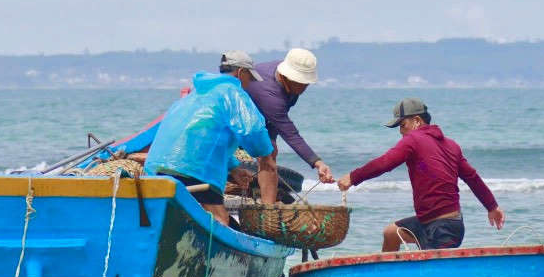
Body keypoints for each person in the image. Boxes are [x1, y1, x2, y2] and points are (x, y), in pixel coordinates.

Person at [337, 98, 504, 252]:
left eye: (403, 125)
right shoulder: (452, 145)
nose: (401, 131)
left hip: (444, 229)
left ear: (417, 121)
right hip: (429, 223)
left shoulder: (413, 139)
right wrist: (492, 207)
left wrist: (353, 177)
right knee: (390, 233)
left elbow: (385, 163)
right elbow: (473, 178)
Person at [144, 52, 273, 225]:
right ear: (241, 72)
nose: (249, 84)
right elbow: (252, 129)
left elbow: (206, 140)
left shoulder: (196, 95)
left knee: (174, 218)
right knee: (220, 219)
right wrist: (265, 156)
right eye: (249, 77)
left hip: (160, 168)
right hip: (195, 170)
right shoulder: (232, 92)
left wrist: (234, 169)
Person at [242, 47, 334, 203]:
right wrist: (317, 163)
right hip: (238, 117)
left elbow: (274, 120)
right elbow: (290, 133)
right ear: (286, 76)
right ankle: (268, 206)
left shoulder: (289, 84)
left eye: (306, 82)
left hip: (261, 116)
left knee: (271, 149)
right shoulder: (270, 95)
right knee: (268, 153)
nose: (304, 86)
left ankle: (267, 205)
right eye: (300, 82)